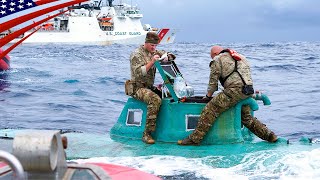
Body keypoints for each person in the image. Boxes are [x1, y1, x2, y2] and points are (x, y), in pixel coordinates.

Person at [178, 45, 278, 145]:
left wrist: (208, 97)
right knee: (247, 119)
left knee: (210, 109)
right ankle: (270, 136)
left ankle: (195, 139)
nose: (212, 58)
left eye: (211, 56)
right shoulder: (241, 57)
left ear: (215, 54)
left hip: (234, 91)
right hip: (248, 91)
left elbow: (213, 84)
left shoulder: (218, 59)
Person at [125, 32, 176, 144]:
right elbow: (139, 73)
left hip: (149, 86)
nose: (154, 48)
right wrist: (152, 62)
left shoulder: (154, 51)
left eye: (155, 46)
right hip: (137, 88)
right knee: (155, 99)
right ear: (146, 43)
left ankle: (167, 128)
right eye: (152, 45)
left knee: (170, 94)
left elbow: (172, 55)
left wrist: (167, 57)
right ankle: (147, 134)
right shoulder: (136, 54)